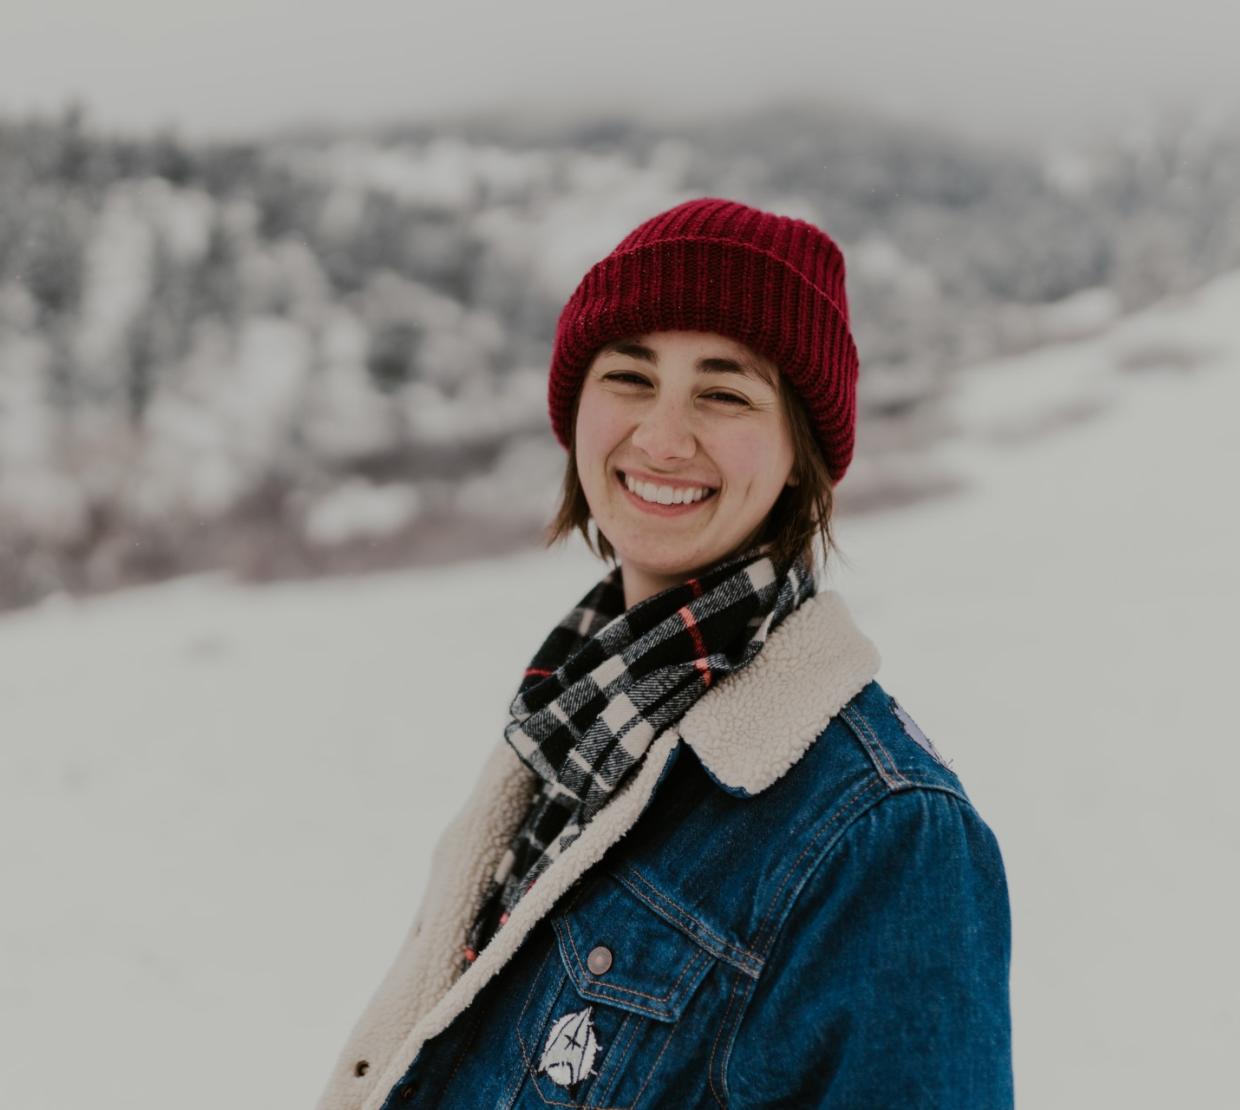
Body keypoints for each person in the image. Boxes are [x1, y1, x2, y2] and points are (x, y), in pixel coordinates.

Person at [314, 197, 1013, 1109]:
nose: (662, 438)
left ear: (801, 452)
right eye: (629, 378)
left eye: (724, 393)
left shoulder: (888, 837)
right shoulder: (573, 715)